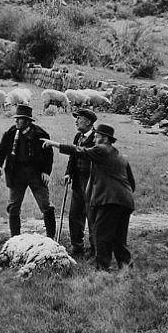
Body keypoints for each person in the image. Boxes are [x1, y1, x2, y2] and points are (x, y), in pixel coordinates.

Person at [42, 123, 135, 271]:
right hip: (126, 202)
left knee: (101, 235)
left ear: (105, 139)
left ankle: (102, 269)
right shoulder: (121, 156)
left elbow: (79, 151)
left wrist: (56, 144)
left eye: (97, 136)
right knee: (119, 237)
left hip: (109, 201)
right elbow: (132, 183)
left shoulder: (101, 149)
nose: (95, 139)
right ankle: (126, 267)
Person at [0, 104, 55, 238]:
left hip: (36, 174)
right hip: (16, 173)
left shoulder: (41, 134)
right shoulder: (11, 133)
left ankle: (51, 238)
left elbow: (49, 156)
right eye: (16, 118)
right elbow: (1, 151)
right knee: (13, 207)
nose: (16, 121)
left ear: (27, 121)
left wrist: (46, 172)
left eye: (19, 119)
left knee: (46, 206)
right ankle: (15, 239)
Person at [64, 108, 98, 259]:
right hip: (78, 182)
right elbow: (72, 157)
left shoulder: (97, 139)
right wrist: (68, 173)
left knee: (92, 216)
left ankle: (95, 249)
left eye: (79, 118)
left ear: (89, 122)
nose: (76, 121)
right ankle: (77, 247)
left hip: (92, 183)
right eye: (76, 118)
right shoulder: (78, 136)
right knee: (75, 215)